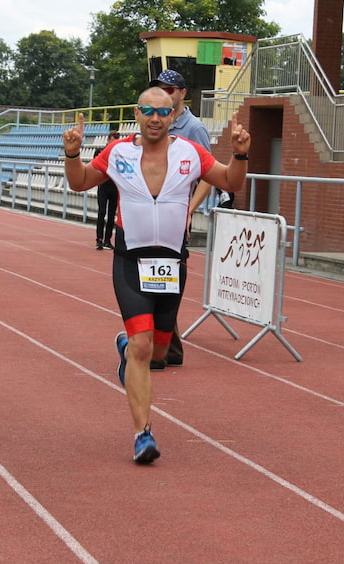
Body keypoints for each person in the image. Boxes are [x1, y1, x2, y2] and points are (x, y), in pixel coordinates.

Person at [63, 87, 250, 463]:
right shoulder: (118, 153)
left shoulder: (190, 153)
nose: (154, 118)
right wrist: (72, 153)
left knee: (158, 353)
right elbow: (79, 182)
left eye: (162, 112)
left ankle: (126, 347)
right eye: (147, 110)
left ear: (173, 116)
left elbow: (230, 182)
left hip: (170, 263)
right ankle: (142, 434)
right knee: (144, 345)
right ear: (137, 112)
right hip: (130, 259)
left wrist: (240, 153)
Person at [147, 69, 213, 370]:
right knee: (151, 280)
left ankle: (165, 348)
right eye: (159, 88)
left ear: (182, 93)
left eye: (170, 90)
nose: (166, 93)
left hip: (175, 219)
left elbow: (208, 176)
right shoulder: (154, 122)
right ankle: (166, 347)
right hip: (149, 216)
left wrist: (189, 209)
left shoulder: (193, 128)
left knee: (163, 281)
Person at [94, 130, 121, 249]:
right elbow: (96, 167)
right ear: (108, 140)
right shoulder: (100, 151)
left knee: (111, 215)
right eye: (113, 140)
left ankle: (107, 240)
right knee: (102, 212)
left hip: (114, 187)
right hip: (103, 186)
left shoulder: (120, 153)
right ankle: (99, 239)